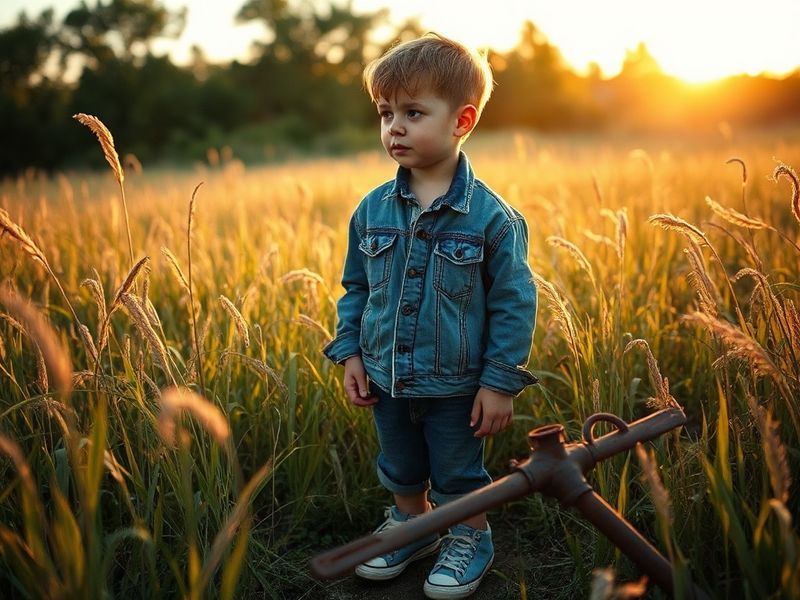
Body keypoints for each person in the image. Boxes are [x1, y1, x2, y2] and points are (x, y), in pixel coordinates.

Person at [322, 32, 538, 599]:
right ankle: (413, 527)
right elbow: (356, 286)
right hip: (386, 374)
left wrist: (499, 383)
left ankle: (470, 534)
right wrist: (348, 351)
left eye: (413, 113)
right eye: (386, 112)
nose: (394, 127)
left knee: (457, 470)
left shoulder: (492, 219)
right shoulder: (371, 209)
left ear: (461, 120)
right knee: (399, 464)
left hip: (455, 383)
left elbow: (513, 304)